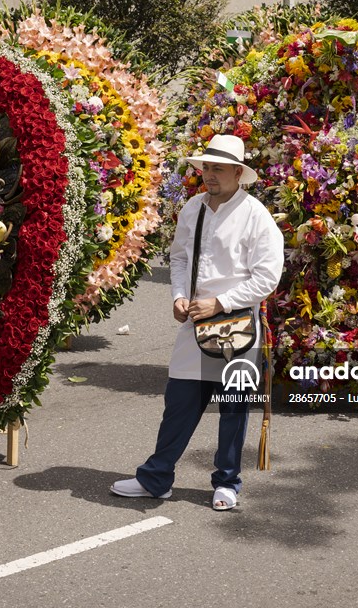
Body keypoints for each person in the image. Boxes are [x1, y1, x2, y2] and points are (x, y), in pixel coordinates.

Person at [111, 133, 284, 510]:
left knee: (233, 409)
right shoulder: (193, 208)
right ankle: (156, 479)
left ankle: (227, 483)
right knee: (179, 403)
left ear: (239, 173)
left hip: (238, 329)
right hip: (195, 324)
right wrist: (178, 296)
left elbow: (267, 278)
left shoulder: (257, 216)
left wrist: (219, 303)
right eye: (206, 166)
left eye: (218, 168)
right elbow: (178, 259)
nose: (209, 174)